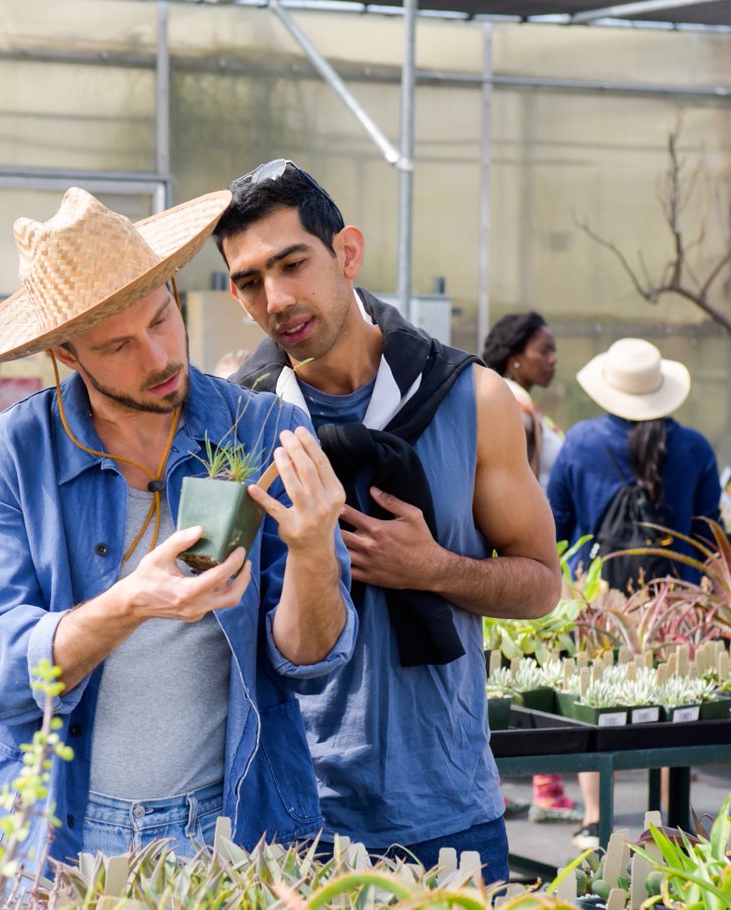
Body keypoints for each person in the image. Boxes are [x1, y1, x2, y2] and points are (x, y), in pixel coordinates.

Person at [0, 187, 356, 874]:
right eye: (118, 346)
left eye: (163, 319)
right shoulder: (2, 460)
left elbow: (309, 662)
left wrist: (313, 550)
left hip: (234, 824)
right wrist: (129, 603)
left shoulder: (263, 431)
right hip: (54, 836)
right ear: (68, 355)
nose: (158, 356)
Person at [213, 159, 561, 882]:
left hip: (447, 814)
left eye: (291, 263)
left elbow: (540, 586)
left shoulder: (475, 398)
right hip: (291, 819)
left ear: (347, 252)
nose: (275, 299)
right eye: (248, 280)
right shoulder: (237, 426)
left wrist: (433, 568)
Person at [546, 336, 720, 850]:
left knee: (595, 704)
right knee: (669, 708)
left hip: (598, 601)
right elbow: (709, 535)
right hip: (673, 605)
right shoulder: (694, 448)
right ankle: (668, 819)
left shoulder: (579, 442)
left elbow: (555, 525)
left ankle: (593, 818)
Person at [481, 312, 579, 826]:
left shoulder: (505, 397)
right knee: (530, 672)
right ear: (516, 354)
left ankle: (504, 787)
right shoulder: (510, 405)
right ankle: (546, 788)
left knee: (507, 675)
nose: (552, 358)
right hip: (520, 553)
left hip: (513, 553)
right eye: (545, 349)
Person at [481, 312, 562, 490]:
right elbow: (509, 481)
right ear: (514, 358)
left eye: (553, 350)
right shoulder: (514, 403)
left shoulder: (511, 398)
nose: (553, 359)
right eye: (544, 351)